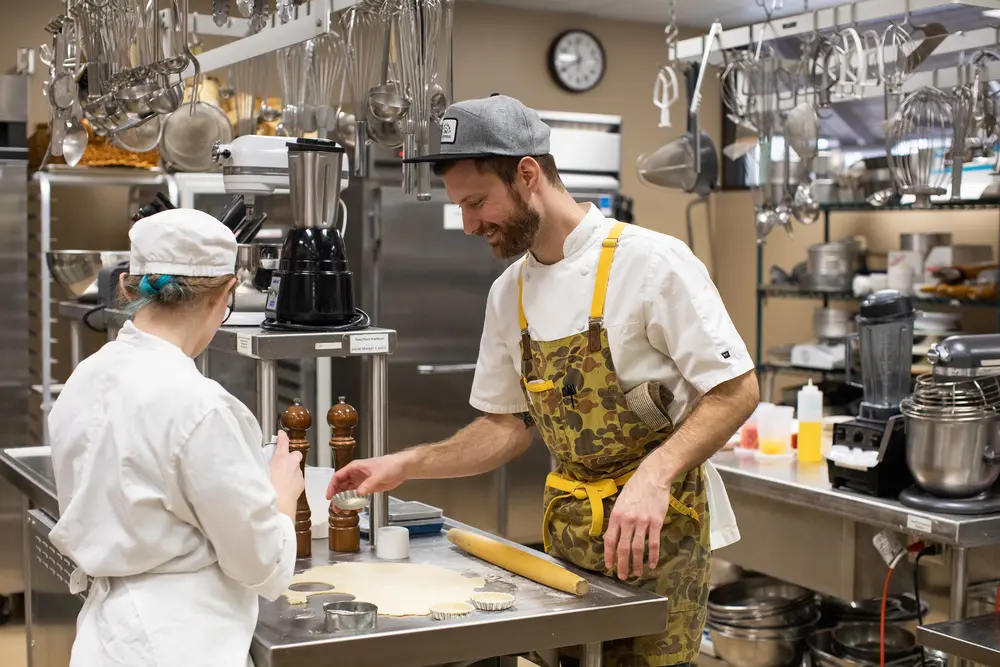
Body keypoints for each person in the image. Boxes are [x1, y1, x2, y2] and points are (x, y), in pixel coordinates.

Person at [328, 95, 759, 667]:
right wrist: (407, 464)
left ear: (528, 174)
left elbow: (736, 390)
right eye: (460, 207)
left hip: (659, 540)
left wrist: (653, 476)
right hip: (569, 541)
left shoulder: (652, 263)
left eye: (477, 202)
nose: (468, 224)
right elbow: (507, 428)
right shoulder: (511, 292)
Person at [48, 209, 305, 667]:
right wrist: (281, 495)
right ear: (225, 294)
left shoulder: (85, 378)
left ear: (128, 286)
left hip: (105, 641)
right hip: (183, 642)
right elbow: (260, 564)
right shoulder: (201, 407)